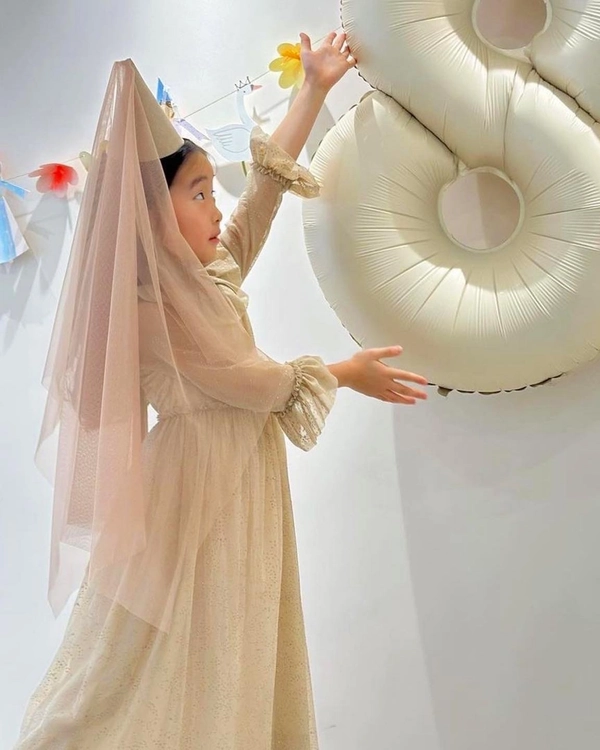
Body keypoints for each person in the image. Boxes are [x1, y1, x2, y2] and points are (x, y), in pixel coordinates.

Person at [16, 31, 427, 749]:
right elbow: (251, 385)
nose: (215, 209)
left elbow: (259, 203)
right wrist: (343, 373)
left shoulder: (207, 277)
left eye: (212, 192)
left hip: (236, 478)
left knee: (230, 647)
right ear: (152, 212)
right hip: (191, 492)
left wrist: (312, 90)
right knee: (137, 669)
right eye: (199, 194)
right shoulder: (143, 310)